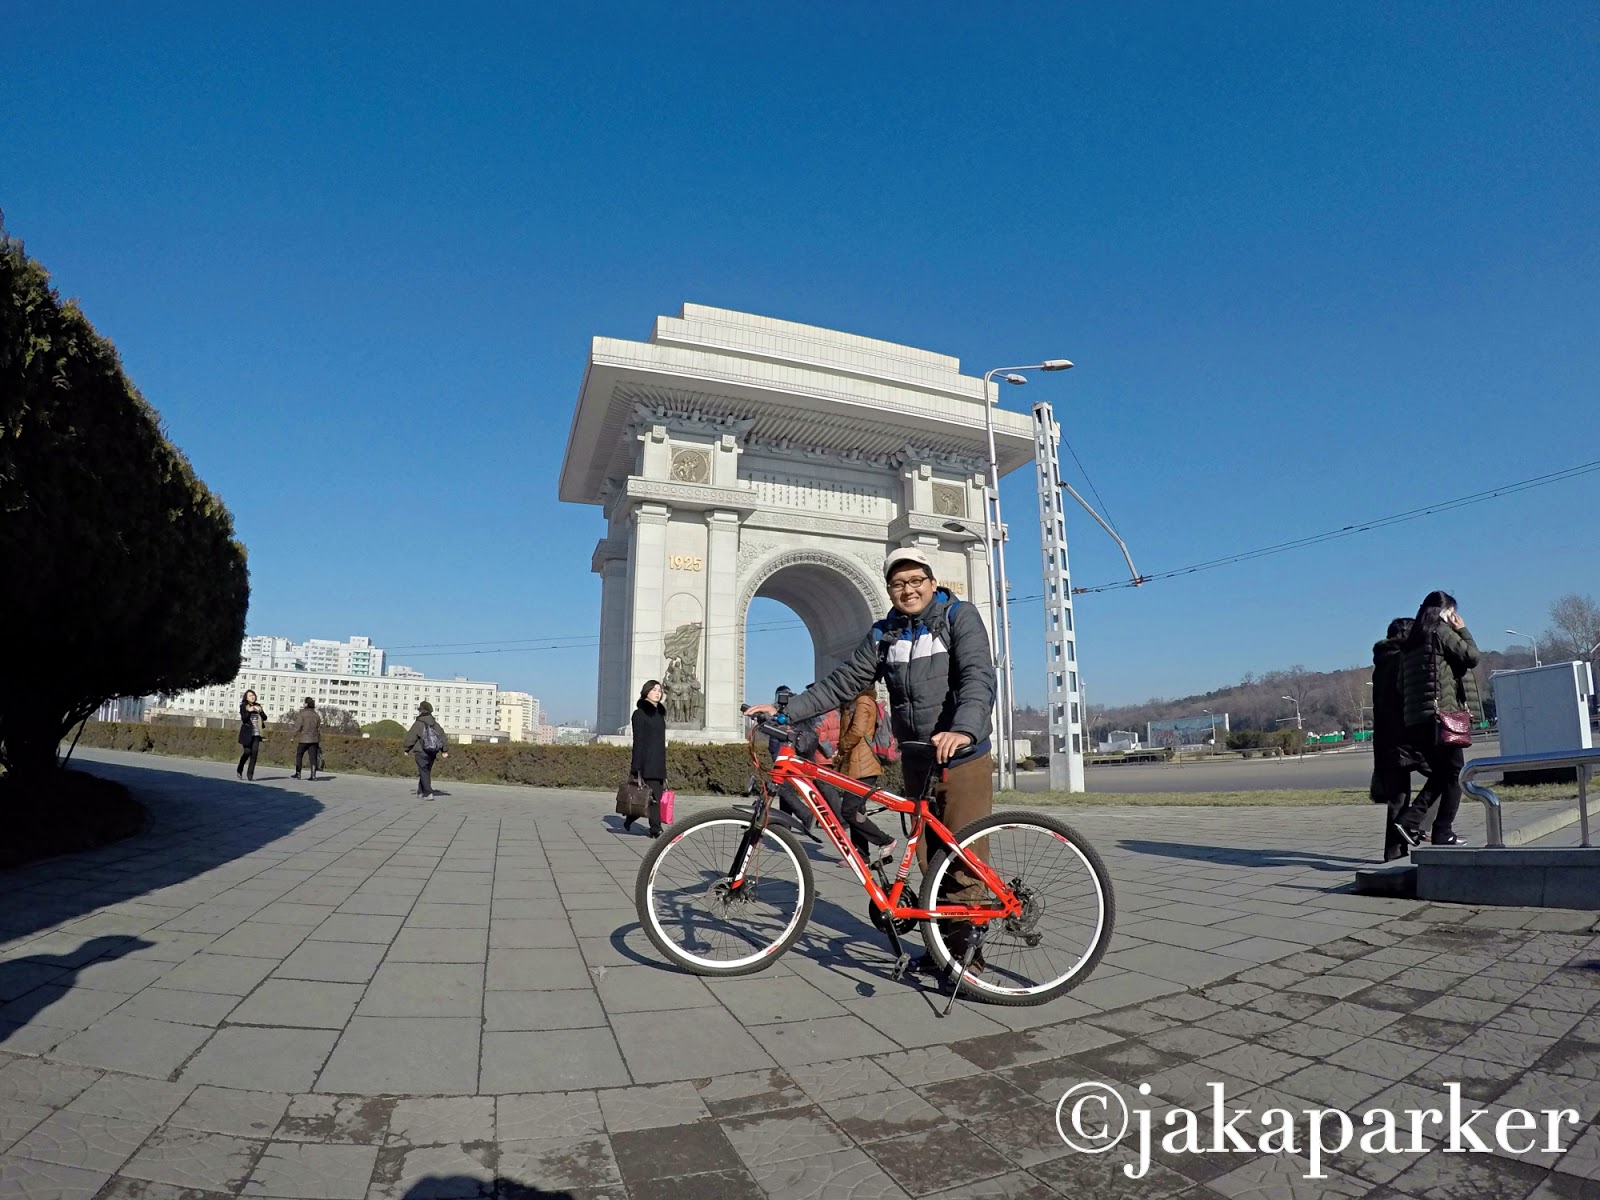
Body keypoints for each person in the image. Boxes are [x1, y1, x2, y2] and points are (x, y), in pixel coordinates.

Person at [748, 547, 996, 974]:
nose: (908, 590)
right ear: (890, 590)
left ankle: (967, 959)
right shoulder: (885, 634)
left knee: (963, 856)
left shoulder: (958, 618)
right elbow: (843, 682)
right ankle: (941, 948)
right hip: (918, 758)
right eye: (898, 584)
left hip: (961, 756)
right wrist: (786, 711)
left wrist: (964, 729)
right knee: (928, 857)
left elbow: (978, 676)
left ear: (932, 583)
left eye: (916, 581)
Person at [1395, 591, 1483, 847]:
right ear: (1444, 612)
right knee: (1456, 774)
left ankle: (1411, 821)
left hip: (1416, 721)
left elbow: (1401, 686)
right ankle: (1442, 830)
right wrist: (1462, 630)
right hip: (1440, 719)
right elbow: (1471, 657)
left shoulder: (1411, 642)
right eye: (1452, 612)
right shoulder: (1440, 632)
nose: (1454, 617)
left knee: (1442, 774)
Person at [1371, 618, 1433, 861]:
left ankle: (1394, 853)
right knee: (1449, 776)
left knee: (1398, 798)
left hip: (1387, 738)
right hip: (1410, 735)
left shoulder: (1381, 663)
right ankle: (1416, 823)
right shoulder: (1404, 659)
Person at [835, 686, 898, 865]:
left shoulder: (863, 701)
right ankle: (860, 855)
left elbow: (857, 730)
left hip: (864, 765)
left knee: (849, 810)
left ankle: (885, 840)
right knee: (857, 811)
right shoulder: (857, 702)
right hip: (858, 764)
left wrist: (842, 746)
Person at [629, 680, 668, 837]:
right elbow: (638, 741)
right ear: (646, 692)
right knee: (654, 797)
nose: (657, 693)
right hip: (647, 762)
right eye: (654, 690)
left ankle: (631, 816)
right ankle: (656, 828)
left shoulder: (660, 714)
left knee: (653, 796)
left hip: (659, 761)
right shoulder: (639, 714)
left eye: (659, 690)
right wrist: (636, 766)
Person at [404, 700, 449, 800]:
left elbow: (411, 737)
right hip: (432, 752)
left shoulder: (418, 724)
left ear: (421, 711)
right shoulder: (435, 724)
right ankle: (420, 792)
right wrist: (444, 750)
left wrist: (406, 749)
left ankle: (428, 793)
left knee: (423, 771)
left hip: (421, 751)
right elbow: (442, 736)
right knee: (425, 771)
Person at [236, 690, 265, 781]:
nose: (252, 697)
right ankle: (240, 768)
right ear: (246, 697)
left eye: (253, 695)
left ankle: (250, 774)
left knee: (254, 753)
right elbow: (244, 719)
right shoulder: (243, 706)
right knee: (247, 752)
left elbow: (265, 717)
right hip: (247, 734)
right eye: (250, 695)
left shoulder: (258, 706)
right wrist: (249, 711)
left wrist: (260, 711)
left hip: (256, 733)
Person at [291, 697, 322, 780]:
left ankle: (298, 773)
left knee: (299, 755)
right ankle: (313, 775)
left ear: (306, 704)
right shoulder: (316, 715)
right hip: (314, 739)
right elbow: (318, 728)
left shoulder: (302, 714)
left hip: (304, 738)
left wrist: (293, 736)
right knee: (313, 757)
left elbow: (297, 726)